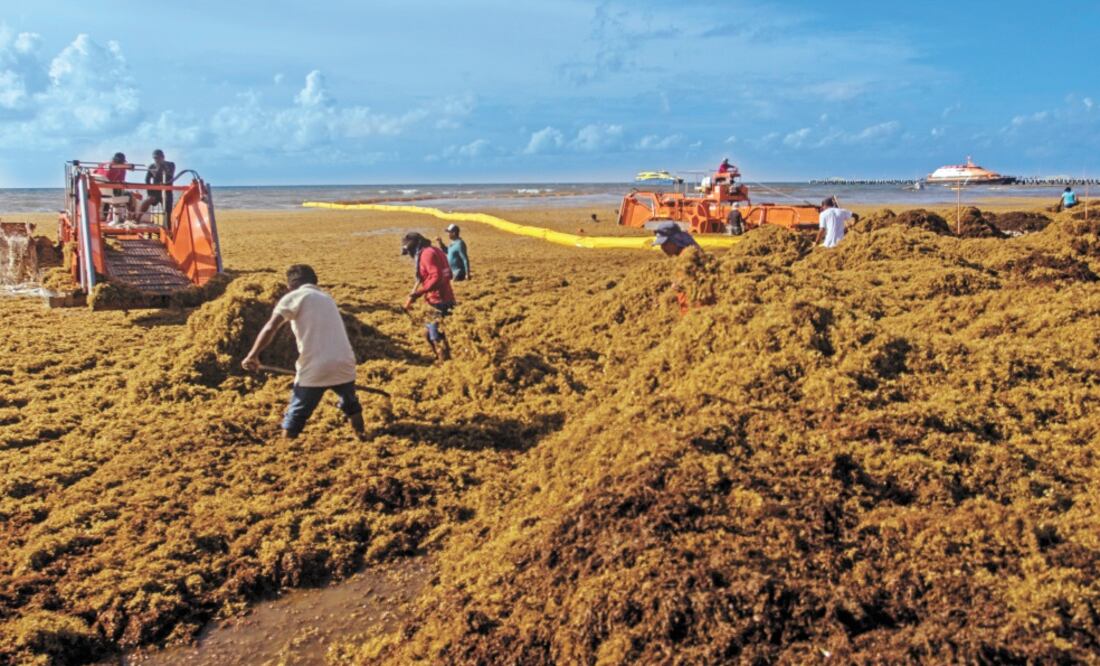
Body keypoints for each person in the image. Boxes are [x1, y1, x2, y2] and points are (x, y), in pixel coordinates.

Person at [241, 264, 366, 440]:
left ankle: (286, 447)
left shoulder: (294, 297)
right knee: (351, 403)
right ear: (315, 281)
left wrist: (252, 355)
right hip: (344, 361)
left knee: (297, 412)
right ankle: (361, 435)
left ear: (289, 286)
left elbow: (271, 327)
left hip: (316, 366)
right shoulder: (326, 297)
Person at [402, 232, 456, 362]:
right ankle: (445, 358)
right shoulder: (436, 250)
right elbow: (448, 274)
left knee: (435, 337)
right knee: (431, 333)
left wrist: (419, 292)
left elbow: (437, 276)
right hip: (448, 297)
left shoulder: (426, 254)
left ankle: (445, 363)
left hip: (436, 301)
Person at [140, 149, 176, 218]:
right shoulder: (152, 166)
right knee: (147, 201)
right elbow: (147, 180)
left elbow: (170, 175)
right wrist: (150, 193)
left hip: (167, 192)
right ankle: (137, 217)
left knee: (168, 212)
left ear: (163, 157)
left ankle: (168, 227)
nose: (156, 160)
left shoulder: (171, 164)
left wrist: (161, 166)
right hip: (155, 192)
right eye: (155, 158)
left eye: (158, 158)